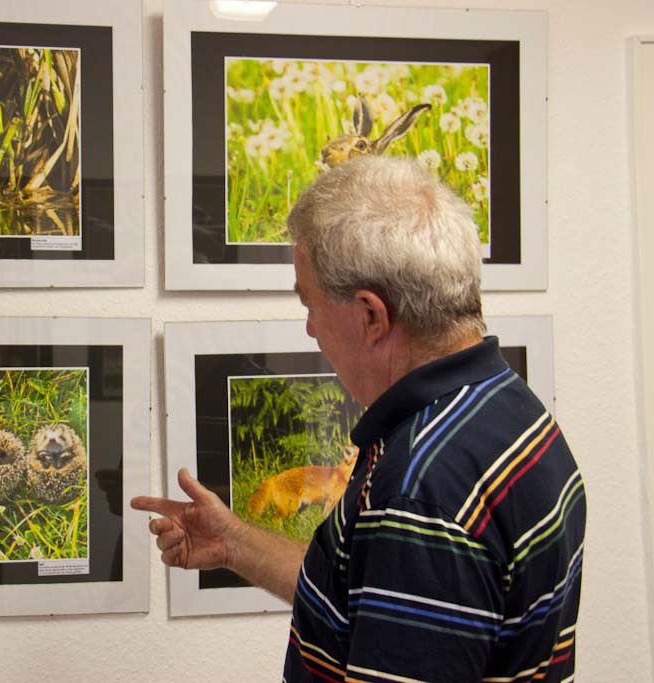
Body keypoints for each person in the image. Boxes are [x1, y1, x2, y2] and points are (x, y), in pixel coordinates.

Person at [132, 155, 585, 682]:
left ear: (370, 315)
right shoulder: (509, 409)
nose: (310, 330)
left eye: (311, 304)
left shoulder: (420, 493)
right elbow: (369, 588)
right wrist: (234, 542)